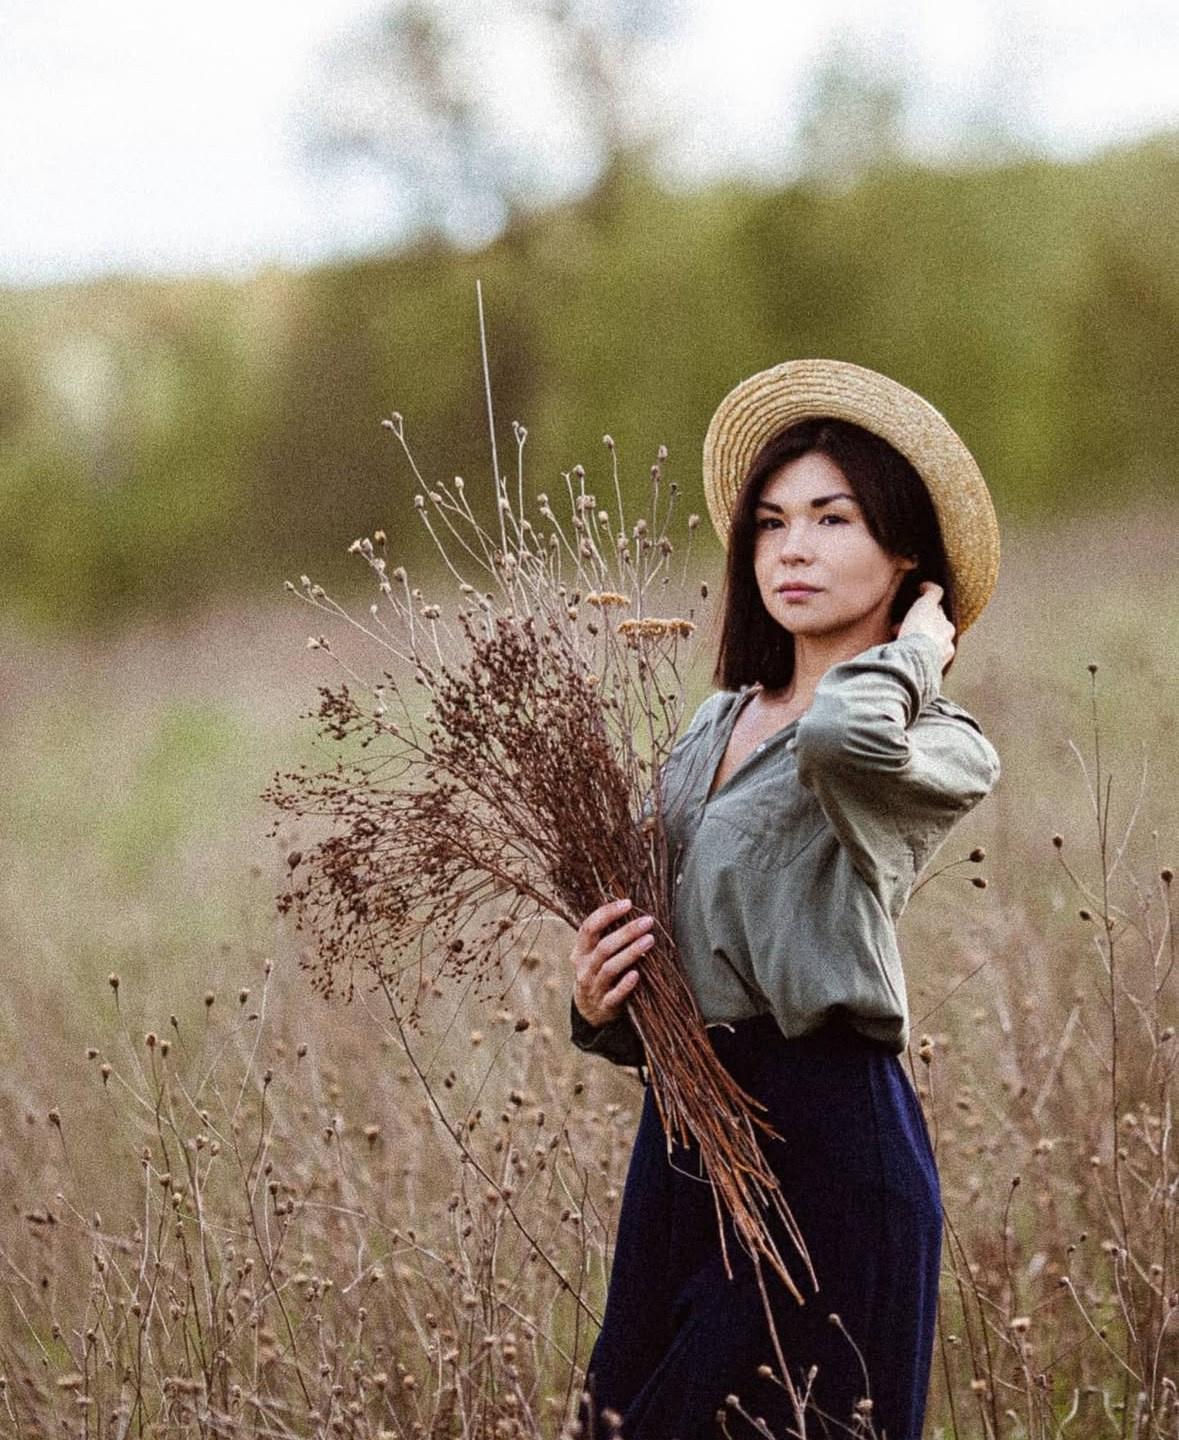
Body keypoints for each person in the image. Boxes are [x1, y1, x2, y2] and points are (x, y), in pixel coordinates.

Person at [568, 360, 1001, 1439]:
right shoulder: (710, 730)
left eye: (831, 517)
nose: (792, 547)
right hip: (681, 1145)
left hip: (830, 1153)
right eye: (769, 523)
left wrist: (916, 650)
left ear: (907, 550)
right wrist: (599, 1003)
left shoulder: (934, 742)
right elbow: (687, 953)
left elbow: (840, 737)